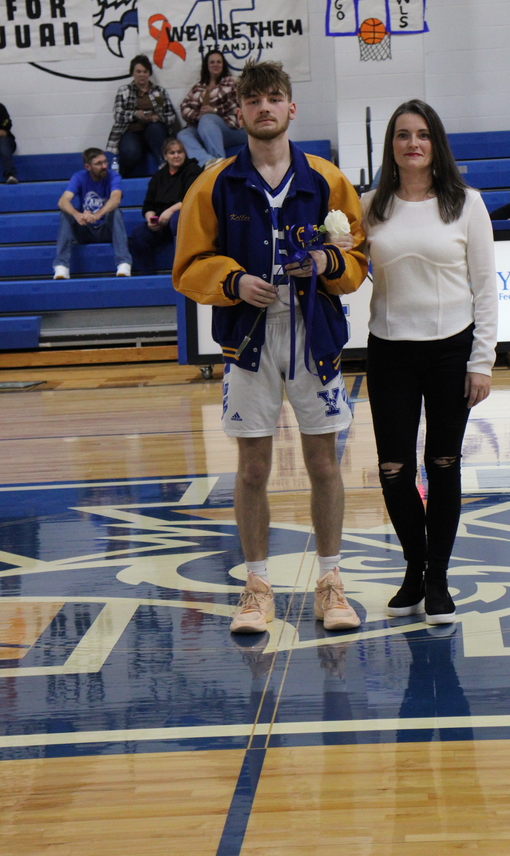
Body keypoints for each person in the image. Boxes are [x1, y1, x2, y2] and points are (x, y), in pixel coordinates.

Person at [173, 61, 368, 634]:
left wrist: (326, 262)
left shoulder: (329, 181)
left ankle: (331, 582)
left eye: (274, 98)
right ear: (240, 112)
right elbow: (187, 267)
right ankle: (256, 587)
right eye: (253, 100)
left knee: (323, 463)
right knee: (253, 467)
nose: (264, 108)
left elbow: (357, 259)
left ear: (291, 108)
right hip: (249, 340)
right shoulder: (212, 183)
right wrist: (232, 281)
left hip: (313, 334)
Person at [362, 100, 497, 625]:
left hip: (450, 352)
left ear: (435, 143)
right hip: (389, 350)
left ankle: (437, 578)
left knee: (443, 465)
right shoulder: (369, 207)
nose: (412, 143)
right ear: (390, 146)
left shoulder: (467, 204)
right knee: (394, 471)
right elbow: (347, 272)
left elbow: (486, 289)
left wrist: (481, 361)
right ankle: (414, 567)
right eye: (402, 135)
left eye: (421, 134)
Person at [53, 148, 132, 279]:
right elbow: (62, 201)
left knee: (116, 212)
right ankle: (62, 266)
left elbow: (115, 198)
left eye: (105, 162)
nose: (104, 166)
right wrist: (77, 215)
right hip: (86, 229)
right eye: (99, 163)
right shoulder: (79, 177)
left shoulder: (113, 176)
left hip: (105, 229)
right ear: (87, 166)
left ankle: (124, 262)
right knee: (66, 214)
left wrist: (97, 215)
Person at [128, 137, 202, 275]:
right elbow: (148, 204)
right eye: (172, 153)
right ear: (165, 156)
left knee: (176, 220)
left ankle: (185, 271)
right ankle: (147, 275)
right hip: (161, 221)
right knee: (138, 234)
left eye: (179, 152)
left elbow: (191, 198)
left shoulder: (193, 170)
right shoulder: (158, 176)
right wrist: (151, 218)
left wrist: (170, 210)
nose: (176, 156)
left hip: (183, 217)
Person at [107, 55, 177, 178]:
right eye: (138, 71)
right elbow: (118, 115)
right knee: (131, 153)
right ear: (132, 73)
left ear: (149, 73)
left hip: (154, 131)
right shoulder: (124, 90)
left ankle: (164, 166)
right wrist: (135, 114)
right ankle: (122, 178)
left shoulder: (160, 91)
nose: (142, 75)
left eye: (145, 71)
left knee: (155, 128)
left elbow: (171, 116)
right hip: (131, 131)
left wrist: (157, 118)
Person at [178, 49, 247, 168]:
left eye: (219, 62)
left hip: (234, 128)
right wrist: (198, 116)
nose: (215, 64)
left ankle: (220, 166)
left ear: (223, 65)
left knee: (207, 119)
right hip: (206, 128)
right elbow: (184, 106)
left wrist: (214, 111)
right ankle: (208, 162)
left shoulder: (232, 81)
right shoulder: (199, 86)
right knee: (183, 134)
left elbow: (232, 106)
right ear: (207, 65)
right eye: (212, 62)